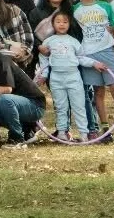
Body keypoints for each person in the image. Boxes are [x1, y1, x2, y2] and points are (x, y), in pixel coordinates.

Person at [36, 11, 105, 141]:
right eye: (58, 22)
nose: (61, 24)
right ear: (53, 24)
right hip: (56, 78)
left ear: (69, 24)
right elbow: (43, 58)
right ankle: (62, 132)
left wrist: (94, 63)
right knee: (61, 106)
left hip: (73, 77)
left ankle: (84, 134)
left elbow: (81, 57)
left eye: (65, 22)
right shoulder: (48, 41)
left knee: (79, 105)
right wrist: (44, 75)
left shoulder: (74, 41)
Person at [70, 0, 114, 135]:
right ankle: (106, 129)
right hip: (89, 54)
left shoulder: (105, 6)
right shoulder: (74, 9)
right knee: (98, 93)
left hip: (108, 51)